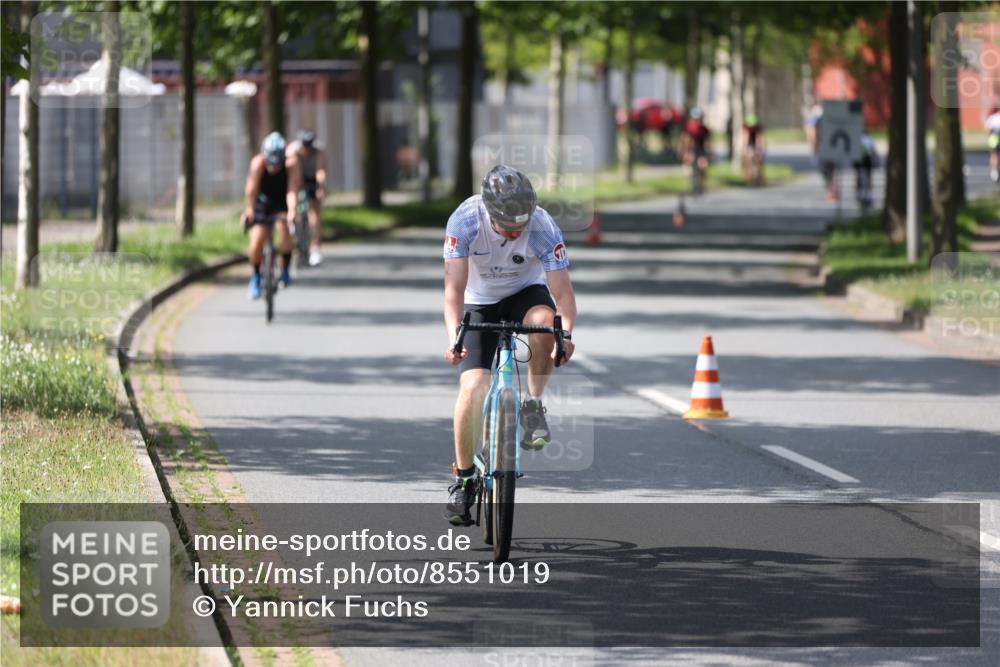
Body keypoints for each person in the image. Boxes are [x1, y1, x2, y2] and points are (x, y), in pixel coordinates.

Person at [442, 165, 578, 526]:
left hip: (525, 293)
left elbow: (564, 296)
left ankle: (533, 405)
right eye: (508, 224)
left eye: (522, 223)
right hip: (478, 300)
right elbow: (453, 290)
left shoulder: (543, 226)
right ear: (489, 211)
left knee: (545, 325)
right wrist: (454, 337)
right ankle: (464, 478)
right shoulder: (465, 221)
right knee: (472, 387)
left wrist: (565, 336)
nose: (516, 230)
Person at [242, 132, 301, 299]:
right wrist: (250, 211)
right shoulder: (257, 164)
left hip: (282, 201)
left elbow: (292, 190)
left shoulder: (291, 164)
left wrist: (292, 212)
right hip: (262, 202)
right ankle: (255, 277)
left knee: (285, 231)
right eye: (270, 163)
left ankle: (285, 270)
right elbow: (251, 190)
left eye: (277, 164)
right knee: (257, 239)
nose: (273, 168)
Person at [286, 130, 328, 266]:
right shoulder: (293, 150)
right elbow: (290, 171)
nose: (307, 150)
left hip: (312, 179)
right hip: (296, 178)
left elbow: (320, 171)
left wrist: (321, 188)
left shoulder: (318, 151)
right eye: (305, 147)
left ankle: (315, 247)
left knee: (314, 211)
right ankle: (293, 225)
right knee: (294, 200)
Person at [806, 103, 838, 201]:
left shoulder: (819, 121)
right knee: (830, 170)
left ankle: (832, 189)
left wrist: (814, 147)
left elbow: (813, 134)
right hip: (829, 149)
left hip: (824, 149)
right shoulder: (825, 121)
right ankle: (832, 189)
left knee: (826, 170)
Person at [680, 108, 711, 192]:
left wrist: (708, 154)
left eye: (699, 118)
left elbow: (708, 142)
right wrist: (684, 152)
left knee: (703, 166)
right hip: (691, 149)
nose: (698, 121)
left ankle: (701, 184)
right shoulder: (688, 128)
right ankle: (692, 180)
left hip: (701, 150)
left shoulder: (704, 129)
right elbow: (684, 140)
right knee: (690, 163)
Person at [853, 132, 878, 209]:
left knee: (864, 176)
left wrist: (875, 158)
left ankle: (865, 193)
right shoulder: (867, 138)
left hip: (866, 159)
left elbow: (873, 150)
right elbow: (873, 150)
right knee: (862, 176)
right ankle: (862, 193)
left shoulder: (866, 138)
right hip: (862, 159)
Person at [741, 113, 766, 183]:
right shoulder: (745, 128)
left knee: (759, 158)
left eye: (753, 126)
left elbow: (760, 138)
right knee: (747, 157)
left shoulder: (758, 128)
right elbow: (745, 139)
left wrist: (760, 149)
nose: (752, 128)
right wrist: (745, 149)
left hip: (756, 143)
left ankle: (760, 174)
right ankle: (747, 174)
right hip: (749, 143)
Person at [985, 107, 1000, 183]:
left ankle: (994, 171)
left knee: (994, 155)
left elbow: (989, 130)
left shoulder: (992, 118)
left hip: (993, 138)